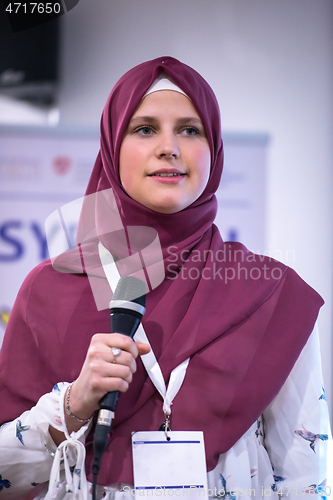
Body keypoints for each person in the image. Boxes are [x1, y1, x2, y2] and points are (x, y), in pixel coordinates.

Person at [0, 56, 331, 500]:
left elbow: (306, 477)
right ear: (112, 147)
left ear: (213, 149)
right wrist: (72, 405)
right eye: (145, 129)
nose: (169, 147)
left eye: (190, 130)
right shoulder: (52, 290)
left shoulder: (269, 293)